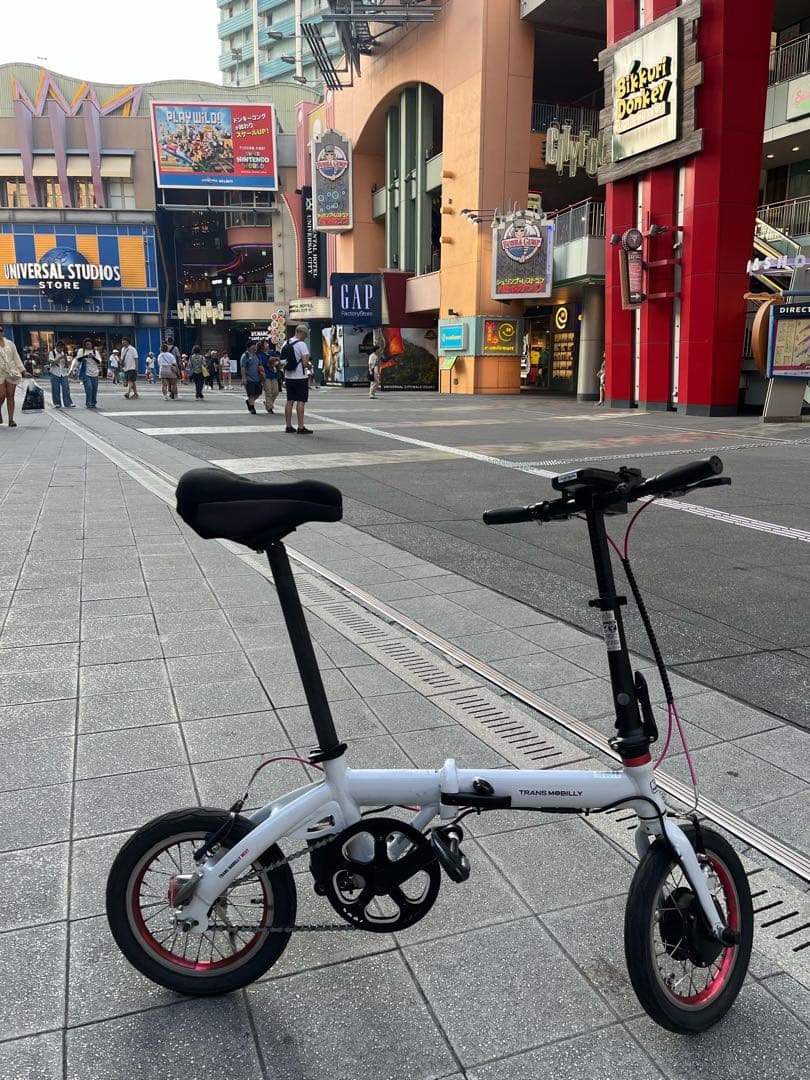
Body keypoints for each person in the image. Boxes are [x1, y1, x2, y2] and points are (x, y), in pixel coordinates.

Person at [282, 324, 312, 434]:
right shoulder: (302, 344)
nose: (305, 337)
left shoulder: (286, 343)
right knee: (301, 401)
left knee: (289, 401)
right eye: (305, 335)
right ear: (301, 333)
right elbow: (305, 363)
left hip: (288, 376)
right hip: (300, 377)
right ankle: (300, 426)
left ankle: (288, 426)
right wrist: (310, 366)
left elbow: (282, 361)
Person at [0, 325, 27, 428]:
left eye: (1, 331)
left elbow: (16, 357)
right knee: (1, 395)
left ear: (3, 332)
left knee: (10, 395)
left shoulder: (10, 344)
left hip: (11, 371)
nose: (0, 333)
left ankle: (11, 419)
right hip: (0, 372)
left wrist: (23, 371)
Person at [47, 341, 76, 408]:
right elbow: (52, 363)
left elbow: (68, 364)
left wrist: (66, 359)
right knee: (55, 389)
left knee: (66, 388)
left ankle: (68, 403)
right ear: (57, 347)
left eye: (62, 348)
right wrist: (59, 358)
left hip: (64, 373)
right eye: (60, 348)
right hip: (55, 373)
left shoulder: (65, 353)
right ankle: (57, 403)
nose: (61, 350)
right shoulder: (52, 353)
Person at [77, 337, 102, 409]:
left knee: (94, 388)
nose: (88, 346)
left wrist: (93, 357)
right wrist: (85, 356)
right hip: (85, 372)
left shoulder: (95, 352)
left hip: (94, 372)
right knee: (89, 387)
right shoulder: (81, 351)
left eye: (90, 344)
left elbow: (99, 362)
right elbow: (78, 359)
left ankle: (93, 402)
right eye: (87, 344)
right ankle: (88, 402)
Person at [259, 339, 281, 414]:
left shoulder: (272, 352)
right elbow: (262, 364)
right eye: (265, 344)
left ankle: (268, 403)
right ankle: (269, 407)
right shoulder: (260, 354)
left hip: (274, 374)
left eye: (267, 344)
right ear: (262, 346)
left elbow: (278, 359)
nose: (267, 345)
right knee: (268, 391)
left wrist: (276, 363)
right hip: (266, 375)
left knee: (275, 391)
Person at [240, 341, 262, 414]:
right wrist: (244, 378)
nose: (255, 347)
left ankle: (249, 401)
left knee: (258, 393)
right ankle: (252, 407)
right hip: (249, 378)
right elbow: (243, 368)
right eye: (254, 345)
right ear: (250, 347)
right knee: (251, 394)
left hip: (257, 378)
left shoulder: (257, 355)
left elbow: (260, 365)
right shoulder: (245, 356)